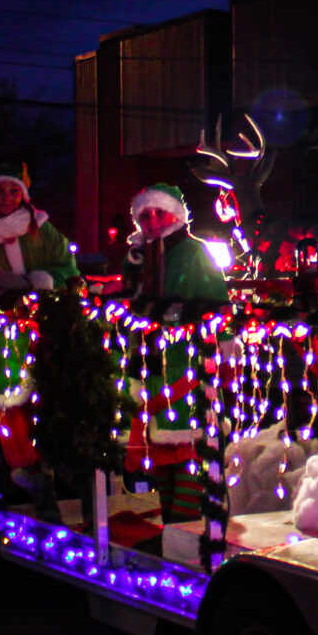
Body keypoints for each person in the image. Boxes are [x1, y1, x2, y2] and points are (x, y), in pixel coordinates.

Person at [0, 162, 81, 492]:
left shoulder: (43, 230)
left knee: (50, 394)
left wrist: (45, 280)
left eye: (13, 191)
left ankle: (55, 462)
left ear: (23, 194)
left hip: (47, 328)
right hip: (2, 336)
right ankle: (19, 466)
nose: (7, 197)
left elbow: (69, 269)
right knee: (10, 401)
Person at [119, 182, 227, 519]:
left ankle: (187, 528)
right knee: (162, 466)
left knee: (188, 448)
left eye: (160, 213)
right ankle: (172, 527)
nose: (152, 221)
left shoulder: (194, 252)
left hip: (186, 357)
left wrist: (180, 315)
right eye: (145, 215)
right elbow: (129, 299)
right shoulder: (138, 255)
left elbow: (216, 301)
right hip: (148, 359)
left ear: (176, 215)